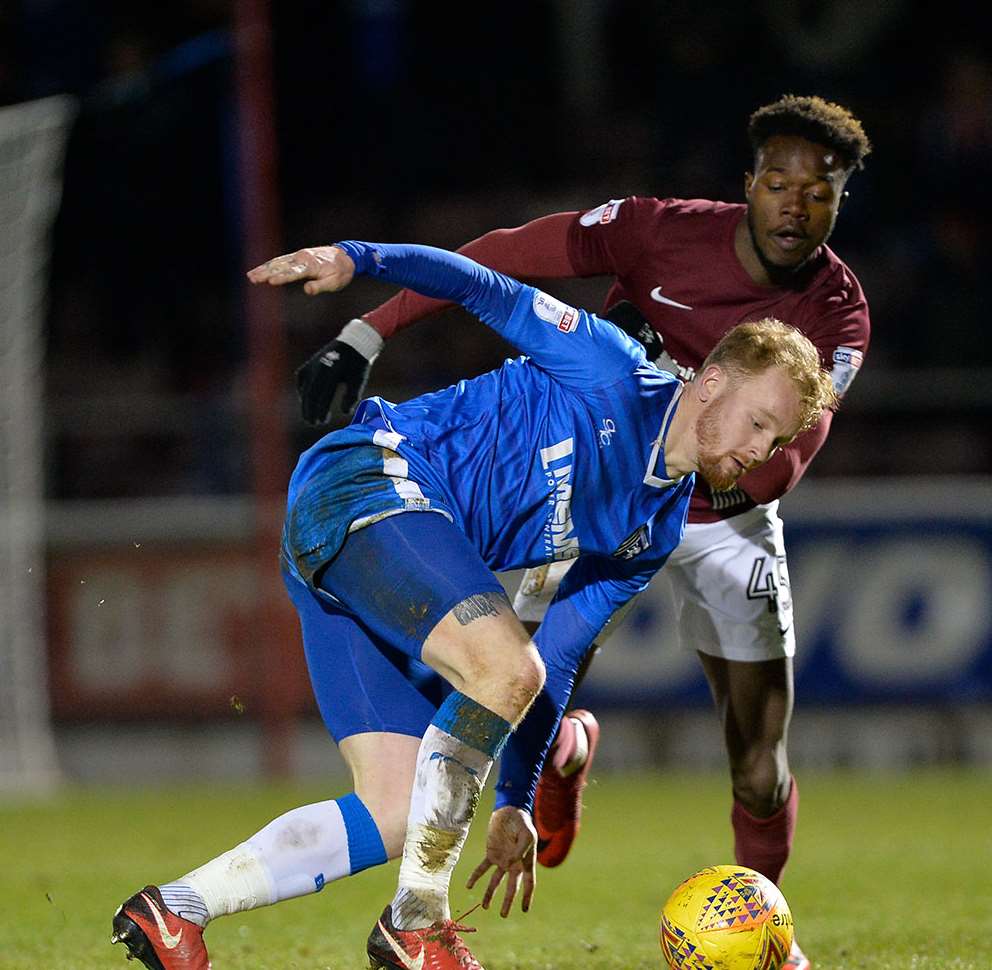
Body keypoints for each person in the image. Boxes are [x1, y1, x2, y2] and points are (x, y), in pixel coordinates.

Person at [111, 239, 835, 970]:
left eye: (777, 439)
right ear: (710, 382)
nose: (762, 450)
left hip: (347, 557)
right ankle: (416, 924)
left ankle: (176, 911)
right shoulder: (611, 369)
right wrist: (357, 261)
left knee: (397, 813)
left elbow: (556, 657)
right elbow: (481, 284)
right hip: (368, 477)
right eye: (758, 422)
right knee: (499, 663)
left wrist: (515, 799)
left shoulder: (658, 526)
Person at [290, 94, 872, 970]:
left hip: (724, 514)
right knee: (499, 672)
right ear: (747, 183)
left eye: (818, 192)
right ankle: (549, 761)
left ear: (837, 202)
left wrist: (685, 468)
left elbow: (787, 457)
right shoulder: (659, 232)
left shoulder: (839, 314)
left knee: (757, 757)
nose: (796, 204)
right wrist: (372, 323)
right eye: (779, 182)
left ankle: (764, 926)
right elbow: (495, 261)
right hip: (597, 482)